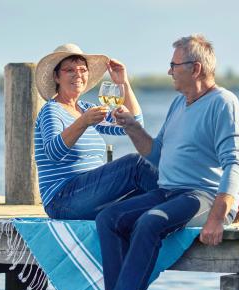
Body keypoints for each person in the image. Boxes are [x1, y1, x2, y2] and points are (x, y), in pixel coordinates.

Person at [65, 34, 239, 290]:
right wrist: (132, 126)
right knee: (109, 218)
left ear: (196, 68)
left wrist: (218, 216)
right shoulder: (179, 103)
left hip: (201, 196)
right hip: (168, 191)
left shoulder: (224, 103)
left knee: (150, 221)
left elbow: (235, 164)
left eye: (174, 65)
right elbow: (157, 154)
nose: (169, 71)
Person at [34, 44, 158, 220]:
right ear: (56, 76)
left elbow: (135, 125)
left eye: (82, 70)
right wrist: (83, 122)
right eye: (69, 70)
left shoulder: (86, 108)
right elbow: (53, 153)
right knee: (135, 164)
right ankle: (184, 203)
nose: (78, 75)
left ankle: (182, 207)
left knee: (143, 192)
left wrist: (123, 83)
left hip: (90, 196)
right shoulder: (51, 111)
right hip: (62, 201)